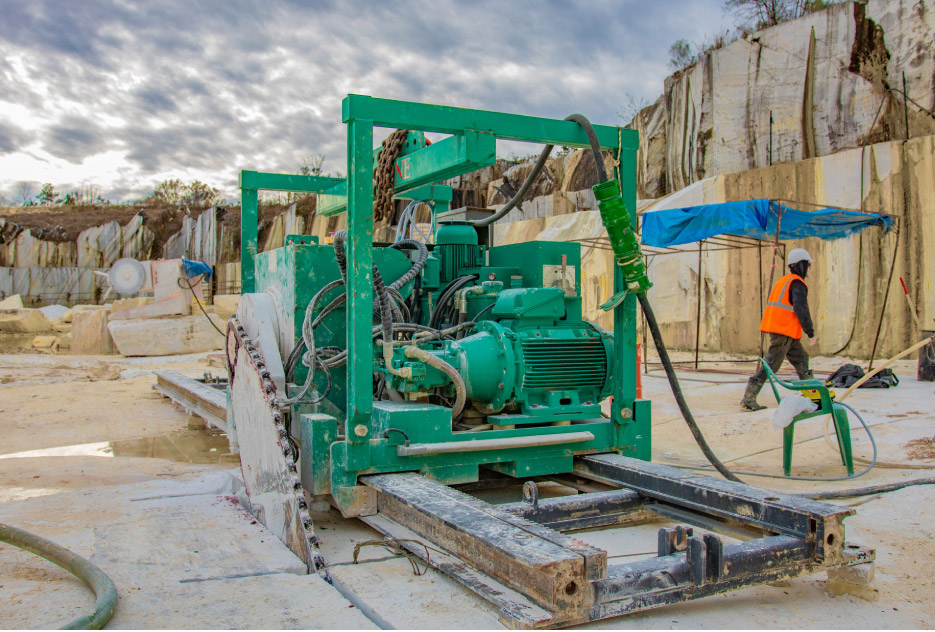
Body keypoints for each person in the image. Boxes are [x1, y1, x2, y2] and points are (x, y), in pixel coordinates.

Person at [741, 248, 817, 412]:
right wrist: (810, 332)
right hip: (784, 331)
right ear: (801, 265)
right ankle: (749, 398)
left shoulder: (784, 281)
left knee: (801, 359)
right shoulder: (797, 283)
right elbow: (801, 308)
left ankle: (813, 395)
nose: (809, 269)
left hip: (784, 331)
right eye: (808, 264)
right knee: (771, 364)